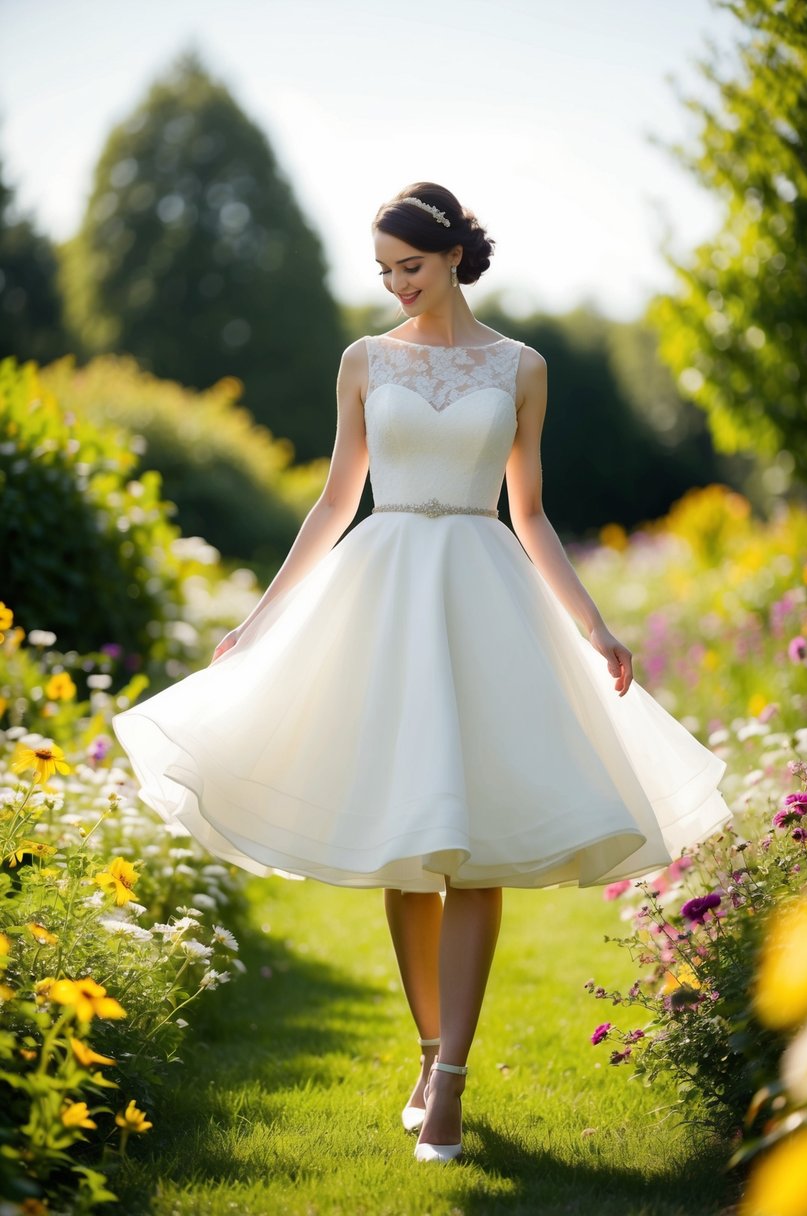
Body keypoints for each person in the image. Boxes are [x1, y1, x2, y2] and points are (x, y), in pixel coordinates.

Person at [112, 181, 730, 1164]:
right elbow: (332, 503)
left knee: (473, 849)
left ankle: (450, 1083)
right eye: (384, 270)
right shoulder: (362, 361)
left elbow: (528, 512)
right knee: (406, 848)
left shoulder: (521, 367)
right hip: (384, 599)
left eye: (410, 266)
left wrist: (596, 625)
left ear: (451, 258)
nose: (396, 285)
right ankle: (428, 1045)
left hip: (485, 599)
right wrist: (260, 619)